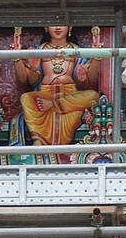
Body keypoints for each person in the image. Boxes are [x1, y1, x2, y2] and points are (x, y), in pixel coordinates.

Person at [14, 24, 100, 158]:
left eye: (62, 24)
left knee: (93, 96)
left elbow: (85, 84)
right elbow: (30, 81)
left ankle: (54, 106)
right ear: (46, 27)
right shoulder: (40, 49)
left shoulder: (76, 50)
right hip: (45, 93)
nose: (58, 27)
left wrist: (96, 58)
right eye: (53, 24)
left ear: (70, 27)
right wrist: (23, 62)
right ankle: (39, 140)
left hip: (70, 94)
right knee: (26, 98)